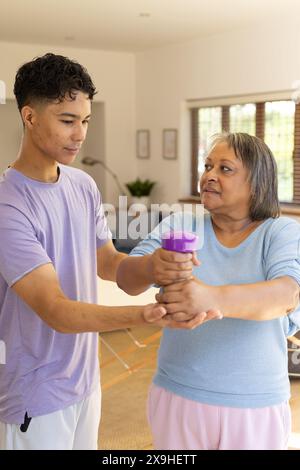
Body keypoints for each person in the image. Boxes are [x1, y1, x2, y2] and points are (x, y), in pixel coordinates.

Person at [0, 53, 211, 450]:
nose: (80, 134)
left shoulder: (83, 186)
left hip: (84, 380)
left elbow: (109, 263)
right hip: (35, 394)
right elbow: (56, 310)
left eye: (85, 121)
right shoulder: (8, 205)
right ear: (29, 117)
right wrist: (147, 315)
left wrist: (154, 266)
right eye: (67, 121)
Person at [117, 132, 300, 450]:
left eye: (225, 169)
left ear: (257, 182)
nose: (209, 176)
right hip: (178, 395)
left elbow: (285, 296)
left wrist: (208, 297)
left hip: (255, 405)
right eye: (207, 166)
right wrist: (152, 267)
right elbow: (127, 280)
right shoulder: (181, 226)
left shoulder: (280, 232)